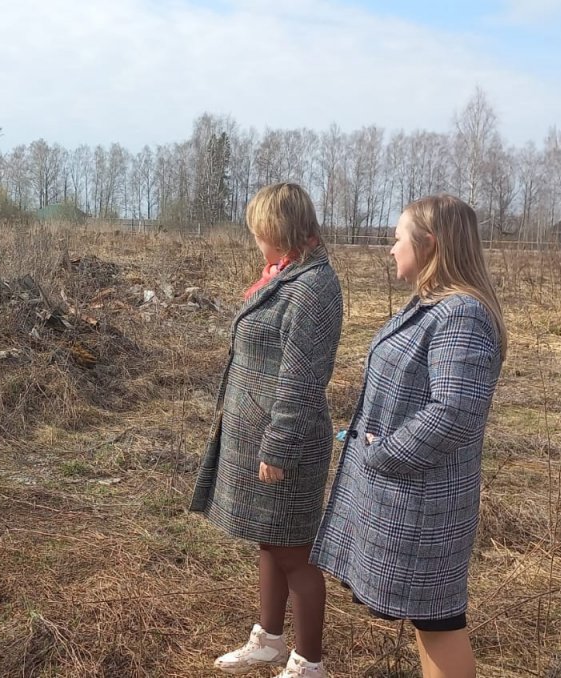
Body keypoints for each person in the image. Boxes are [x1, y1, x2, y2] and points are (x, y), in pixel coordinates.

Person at [311, 194, 507, 678]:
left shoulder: (460, 313)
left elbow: (456, 412)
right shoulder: (436, 306)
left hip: (425, 503)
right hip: (413, 496)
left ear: (429, 243)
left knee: (440, 621)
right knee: (431, 621)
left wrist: (384, 453)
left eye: (397, 237)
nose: (390, 248)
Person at [190, 183, 343, 677]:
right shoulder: (288, 275)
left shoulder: (313, 287)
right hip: (259, 435)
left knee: (295, 553)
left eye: (261, 231)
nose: (256, 240)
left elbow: (302, 376)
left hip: (286, 442)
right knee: (269, 540)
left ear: (282, 229)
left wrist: (278, 445)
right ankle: (270, 640)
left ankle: (308, 663)